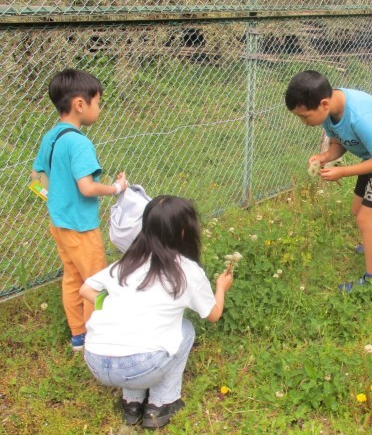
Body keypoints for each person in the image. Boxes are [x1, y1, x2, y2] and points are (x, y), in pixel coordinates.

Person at [79, 195, 234, 428]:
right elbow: (213, 315)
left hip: (95, 359)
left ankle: (131, 403)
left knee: (134, 333)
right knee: (185, 330)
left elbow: (85, 289)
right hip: (140, 366)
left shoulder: (127, 262)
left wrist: (113, 303)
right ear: (184, 231)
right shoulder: (187, 270)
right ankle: (161, 404)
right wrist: (221, 287)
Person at [285, 70, 372, 291]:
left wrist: (343, 172)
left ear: (323, 104)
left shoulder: (360, 116)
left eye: (305, 116)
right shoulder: (330, 112)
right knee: (358, 209)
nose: (303, 122)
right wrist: (325, 157)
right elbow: (339, 143)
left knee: (365, 220)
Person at [31, 69, 128, 351]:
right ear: (80, 104)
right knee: (96, 281)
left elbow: (36, 178)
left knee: (72, 277)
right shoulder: (80, 143)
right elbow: (87, 187)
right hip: (82, 228)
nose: (99, 108)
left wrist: (54, 199)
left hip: (59, 224)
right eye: (98, 102)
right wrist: (116, 188)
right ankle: (97, 337)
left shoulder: (51, 137)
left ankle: (78, 335)